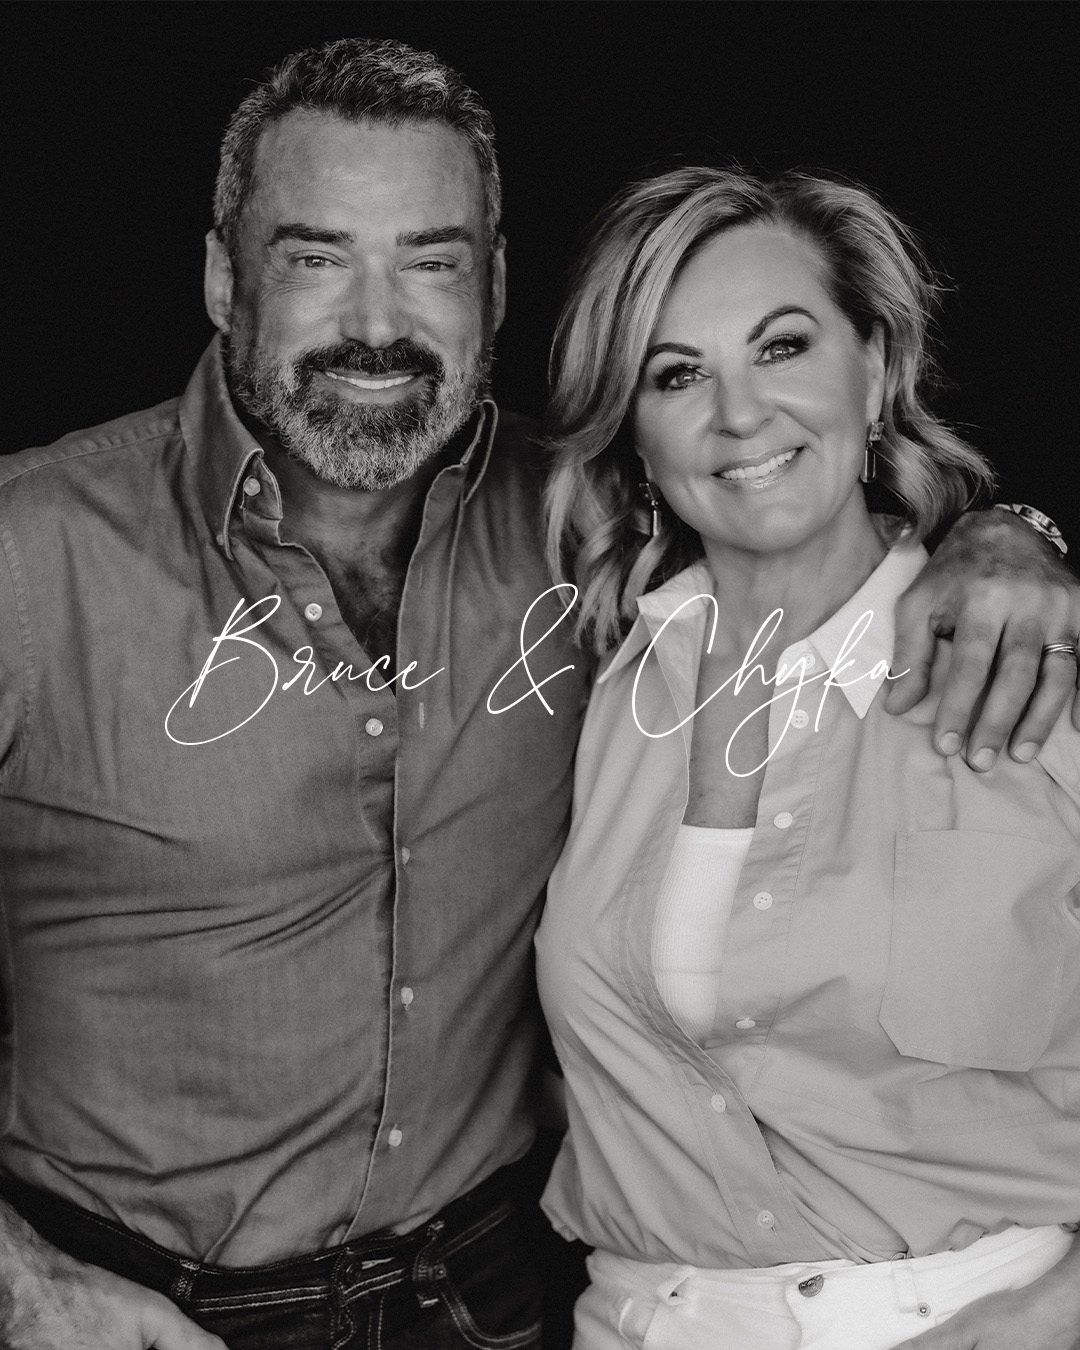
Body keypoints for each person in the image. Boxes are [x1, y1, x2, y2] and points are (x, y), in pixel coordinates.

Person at [0, 37, 1076, 1350]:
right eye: (319, 257)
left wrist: (1013, 533)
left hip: (489, 1301)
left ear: (496, 283)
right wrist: (24, 1291)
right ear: (227, 277)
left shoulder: (578, 538)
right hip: (157, 1315)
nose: (377, 323)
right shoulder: (31, 553)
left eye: (432, 261)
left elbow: (797, 502)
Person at [536, 165, 1080, 1350]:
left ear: (873, 371)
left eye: (781, 347)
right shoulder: (601, 685)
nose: (740, 416)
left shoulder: (1036, 662)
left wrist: (1056, 1313)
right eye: (678, 374)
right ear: (634, 433)